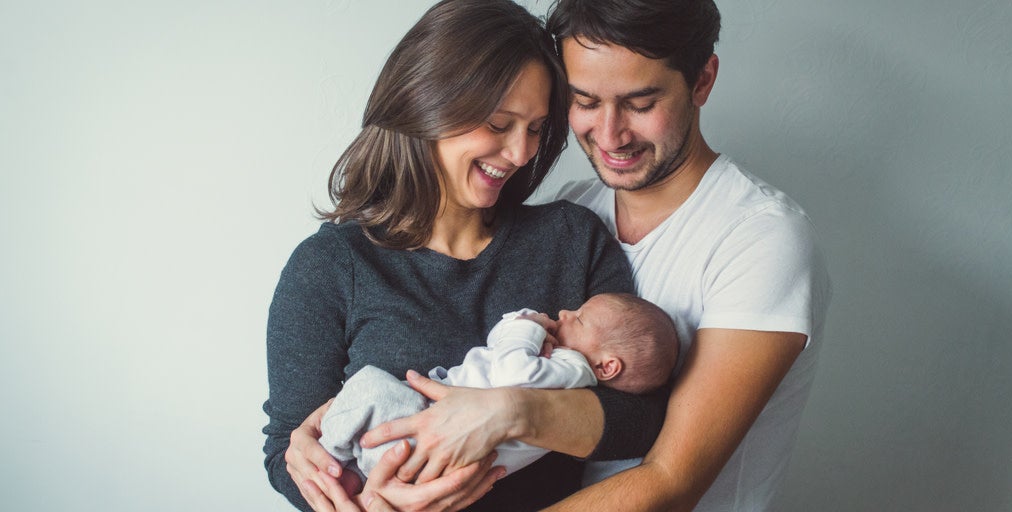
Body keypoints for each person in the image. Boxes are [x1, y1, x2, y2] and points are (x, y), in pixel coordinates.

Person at [313, 1, 832, 511]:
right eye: (584, 101)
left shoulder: (760, 238)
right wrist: (311, 445)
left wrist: (512, 411)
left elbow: (670, 482)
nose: (609, 135)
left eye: (641, 102)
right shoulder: (573, 215)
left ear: (701, 81)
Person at [262, 1, 669, 511]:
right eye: (500, 124)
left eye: (537, 128)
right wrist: (356, 501)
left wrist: (509, 412)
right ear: (425, 104)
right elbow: (286, 448)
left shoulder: (572, 239)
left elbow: (640, 419)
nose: (522, 154)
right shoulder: (329, 268)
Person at [319, 293, 679, 482]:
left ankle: (330, 455)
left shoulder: (574, 370)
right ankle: (344, 472)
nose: (566, 313)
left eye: (580, 318)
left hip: (422, 438)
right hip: (417, 450)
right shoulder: (560, 367)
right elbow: (500, 341)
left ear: (606, 366)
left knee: (369, 383)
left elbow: (510, 371)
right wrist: (525, 323)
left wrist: (530, 328)